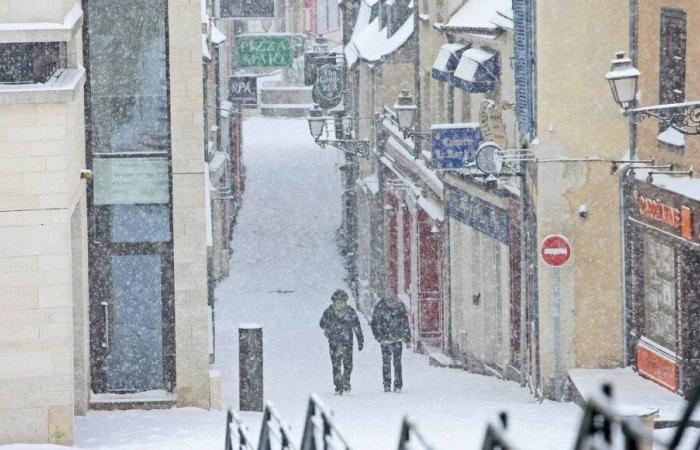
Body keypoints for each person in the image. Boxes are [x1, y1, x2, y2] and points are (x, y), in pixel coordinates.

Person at [319, 289, 364, 395]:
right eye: (336, 301)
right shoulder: (329, 311)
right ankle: (338, 386)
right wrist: (327, 324)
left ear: (345, 301)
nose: (339, 303)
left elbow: (357, 327)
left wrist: (360, 340)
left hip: (347, 342)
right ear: (334, 302)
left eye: (341, 301)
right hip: (334, 342)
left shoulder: (350, 312)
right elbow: (321, 324)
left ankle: (346, 382)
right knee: (336, 365)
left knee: (348, 364)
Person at [370, 292, 411, 393]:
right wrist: (379, 338)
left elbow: (405, 324)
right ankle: (387, 385)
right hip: (385, 340)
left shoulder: (400, 308)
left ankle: (398, 385)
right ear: (386, 301)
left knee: (397, 363)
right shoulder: (379, 308)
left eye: (393, 302)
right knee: (386, 363)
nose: (392, 304)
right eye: (389, 302)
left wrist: (407, 338)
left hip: (397, 339)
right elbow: (374, 324)